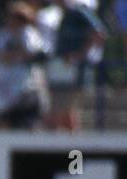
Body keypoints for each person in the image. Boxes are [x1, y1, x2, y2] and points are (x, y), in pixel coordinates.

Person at [40, 0, 107, 130]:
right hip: (61, 68)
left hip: (74, 70)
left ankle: (73, 146)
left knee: (66, 109)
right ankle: (63, 145)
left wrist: (79, 55)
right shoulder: (62, 14)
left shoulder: (79, 11)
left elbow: (99, 34)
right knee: (59, 109)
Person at [0, 0, 48, 128]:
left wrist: (11, 56)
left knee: (26, 124)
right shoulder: (3, 34)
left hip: (26, 87)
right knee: (3, 121)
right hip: (5, 85)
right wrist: (11, 56)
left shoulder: (29, 33)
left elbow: (32, 54)